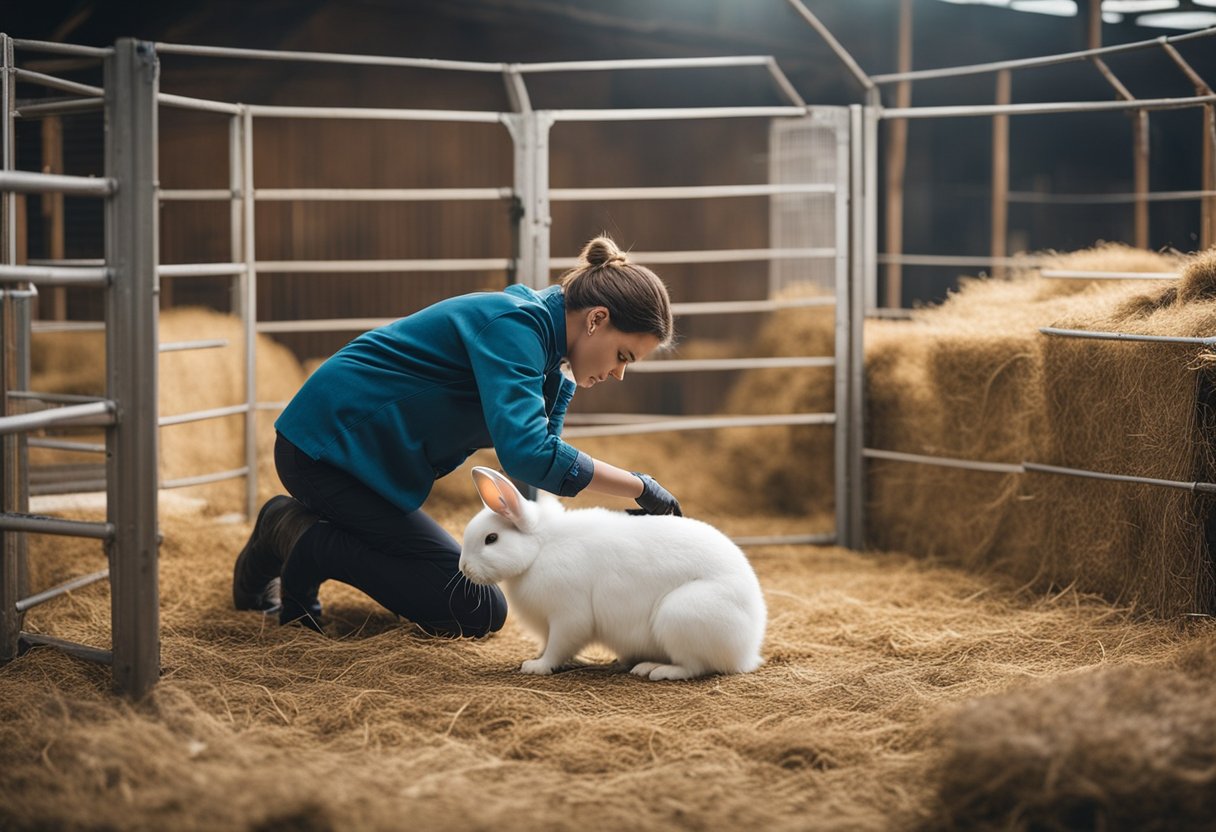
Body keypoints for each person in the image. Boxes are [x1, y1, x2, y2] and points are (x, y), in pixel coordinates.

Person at [232, 235, 682, 637]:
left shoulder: (544, 346)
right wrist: (640, 488)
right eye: (623, 355)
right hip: (326, 451)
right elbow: (529, 455)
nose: (619, 373)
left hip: (366, 465)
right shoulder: (515, 327)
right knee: (474, 609)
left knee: (473, 604)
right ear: (596, 319)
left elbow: (540, 461)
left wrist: (565, 382)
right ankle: (297, 535)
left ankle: (299, 531)